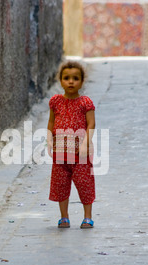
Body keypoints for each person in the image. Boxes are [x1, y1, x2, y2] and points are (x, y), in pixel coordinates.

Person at [47, 61, 96, 228]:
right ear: (60, 80)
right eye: (66, 78)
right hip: (60, 151)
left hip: (81, 153)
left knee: (84, 183)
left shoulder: (85, 102)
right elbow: (51, 123)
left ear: (82, 82)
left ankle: (87, 216)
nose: (71, 82)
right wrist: (49, 141)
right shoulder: (55, 102)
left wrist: (85, 144)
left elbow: (91, 124)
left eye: (75, 78)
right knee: (61, 184)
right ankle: (64, 216)